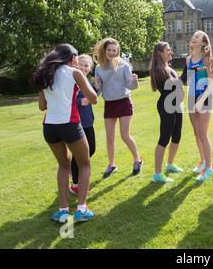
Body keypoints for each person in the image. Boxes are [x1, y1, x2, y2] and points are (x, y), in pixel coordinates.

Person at [33, 44, 97, 222]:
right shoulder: (74, 73)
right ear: (72, 57)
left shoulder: (45, 74)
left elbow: (42, 106)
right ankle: (81, 209)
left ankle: (62, 211)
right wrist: (82, 76)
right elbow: (94, 98)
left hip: (50, 126)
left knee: (63, 166)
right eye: (76, 57)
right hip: (70, 124)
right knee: (84, 164)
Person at [94, 38, 142, 179]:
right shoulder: (98, 68)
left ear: (118, 52)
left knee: (124, 135)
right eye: (109, 50)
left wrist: (135, 81)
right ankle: (112, 164)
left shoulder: (124, 66)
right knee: (110, 138)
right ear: (104, 50)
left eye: (114, 50)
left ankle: (137, 160)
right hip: (109, 104)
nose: (112, 52)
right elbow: (98, 91)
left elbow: (131, 86)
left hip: (124, 102)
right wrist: (96, 87)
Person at [180, 31, 213, 182]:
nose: (193, 39)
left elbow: (211, 82)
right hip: (191, 98)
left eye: (196, 38)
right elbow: (187, 80)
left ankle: (209, 168)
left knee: (203, 134)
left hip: (204, 97)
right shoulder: (188, 60)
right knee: (196, 133)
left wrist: (202, 98)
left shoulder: (207, 58)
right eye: (193, 37)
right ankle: (202, 162)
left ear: (203, 43)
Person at [149, 42, 185, 183]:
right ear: (160, 52)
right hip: (167, 106)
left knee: (176, 136)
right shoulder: (159, 69)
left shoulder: (168, 67)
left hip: (176, 106)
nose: (171, 52)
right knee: (164, 138)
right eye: (168, 50)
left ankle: (170, 164)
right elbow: (173, 88)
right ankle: (157, 174)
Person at [70, 54, 97, 196]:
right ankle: (75, 183)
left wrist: (97, 88)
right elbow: (67, 101)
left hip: (88, 123)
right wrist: (81, 102)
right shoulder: (73, 81)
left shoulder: (86, 81)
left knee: (91, 149)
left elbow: (92, 97)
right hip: (76, 123)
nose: (84, 67)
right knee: (79, 153)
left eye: (87, 65)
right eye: (81, 64)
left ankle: (80, 173)